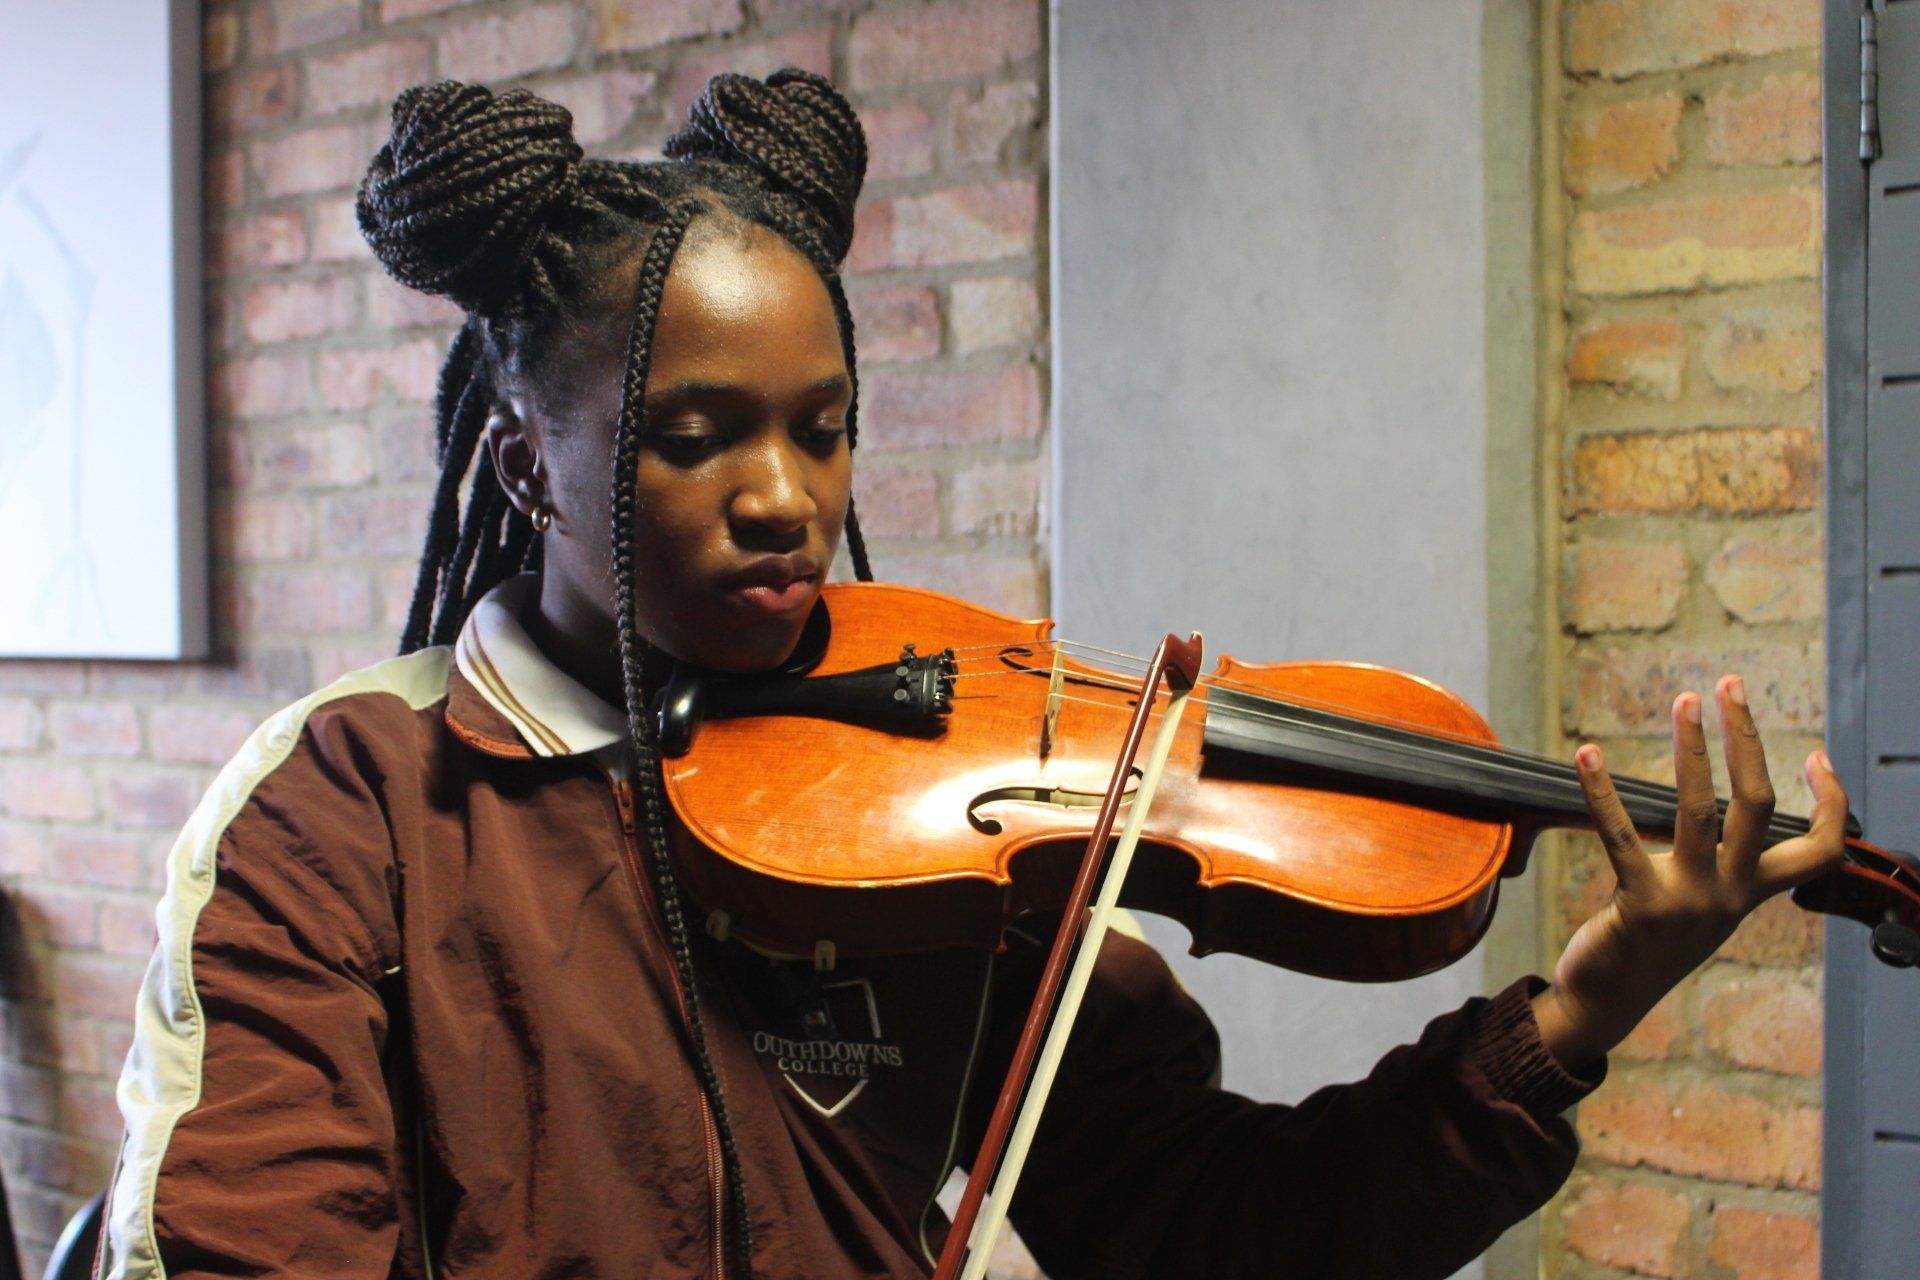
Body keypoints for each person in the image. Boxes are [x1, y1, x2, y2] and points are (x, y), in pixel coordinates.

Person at [98, 72, 1849, 1280]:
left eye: (823, 427)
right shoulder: (350, 812)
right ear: (525, 466)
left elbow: (1206, 1235)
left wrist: (1575, 1016)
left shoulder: (942, 797)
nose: (783, 497)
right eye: (691, 437)